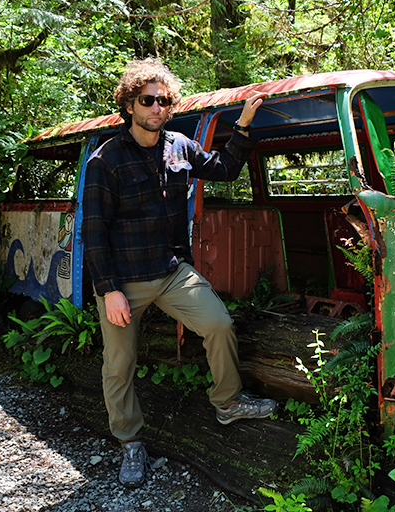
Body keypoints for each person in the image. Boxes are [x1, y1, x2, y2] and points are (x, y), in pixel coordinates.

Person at [82, 57, 277, 488]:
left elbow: (224, 170)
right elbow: (93, 233)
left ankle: (227, 403)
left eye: (164, 100)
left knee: (220, 324)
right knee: (119, 365)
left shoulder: (180, 146)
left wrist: (242, 125)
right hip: (124, 280)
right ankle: (130, 442)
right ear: (129, 104)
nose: (157, 107)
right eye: (148, 100)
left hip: (171, 272)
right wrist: (109, 291)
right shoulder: (105, 160)